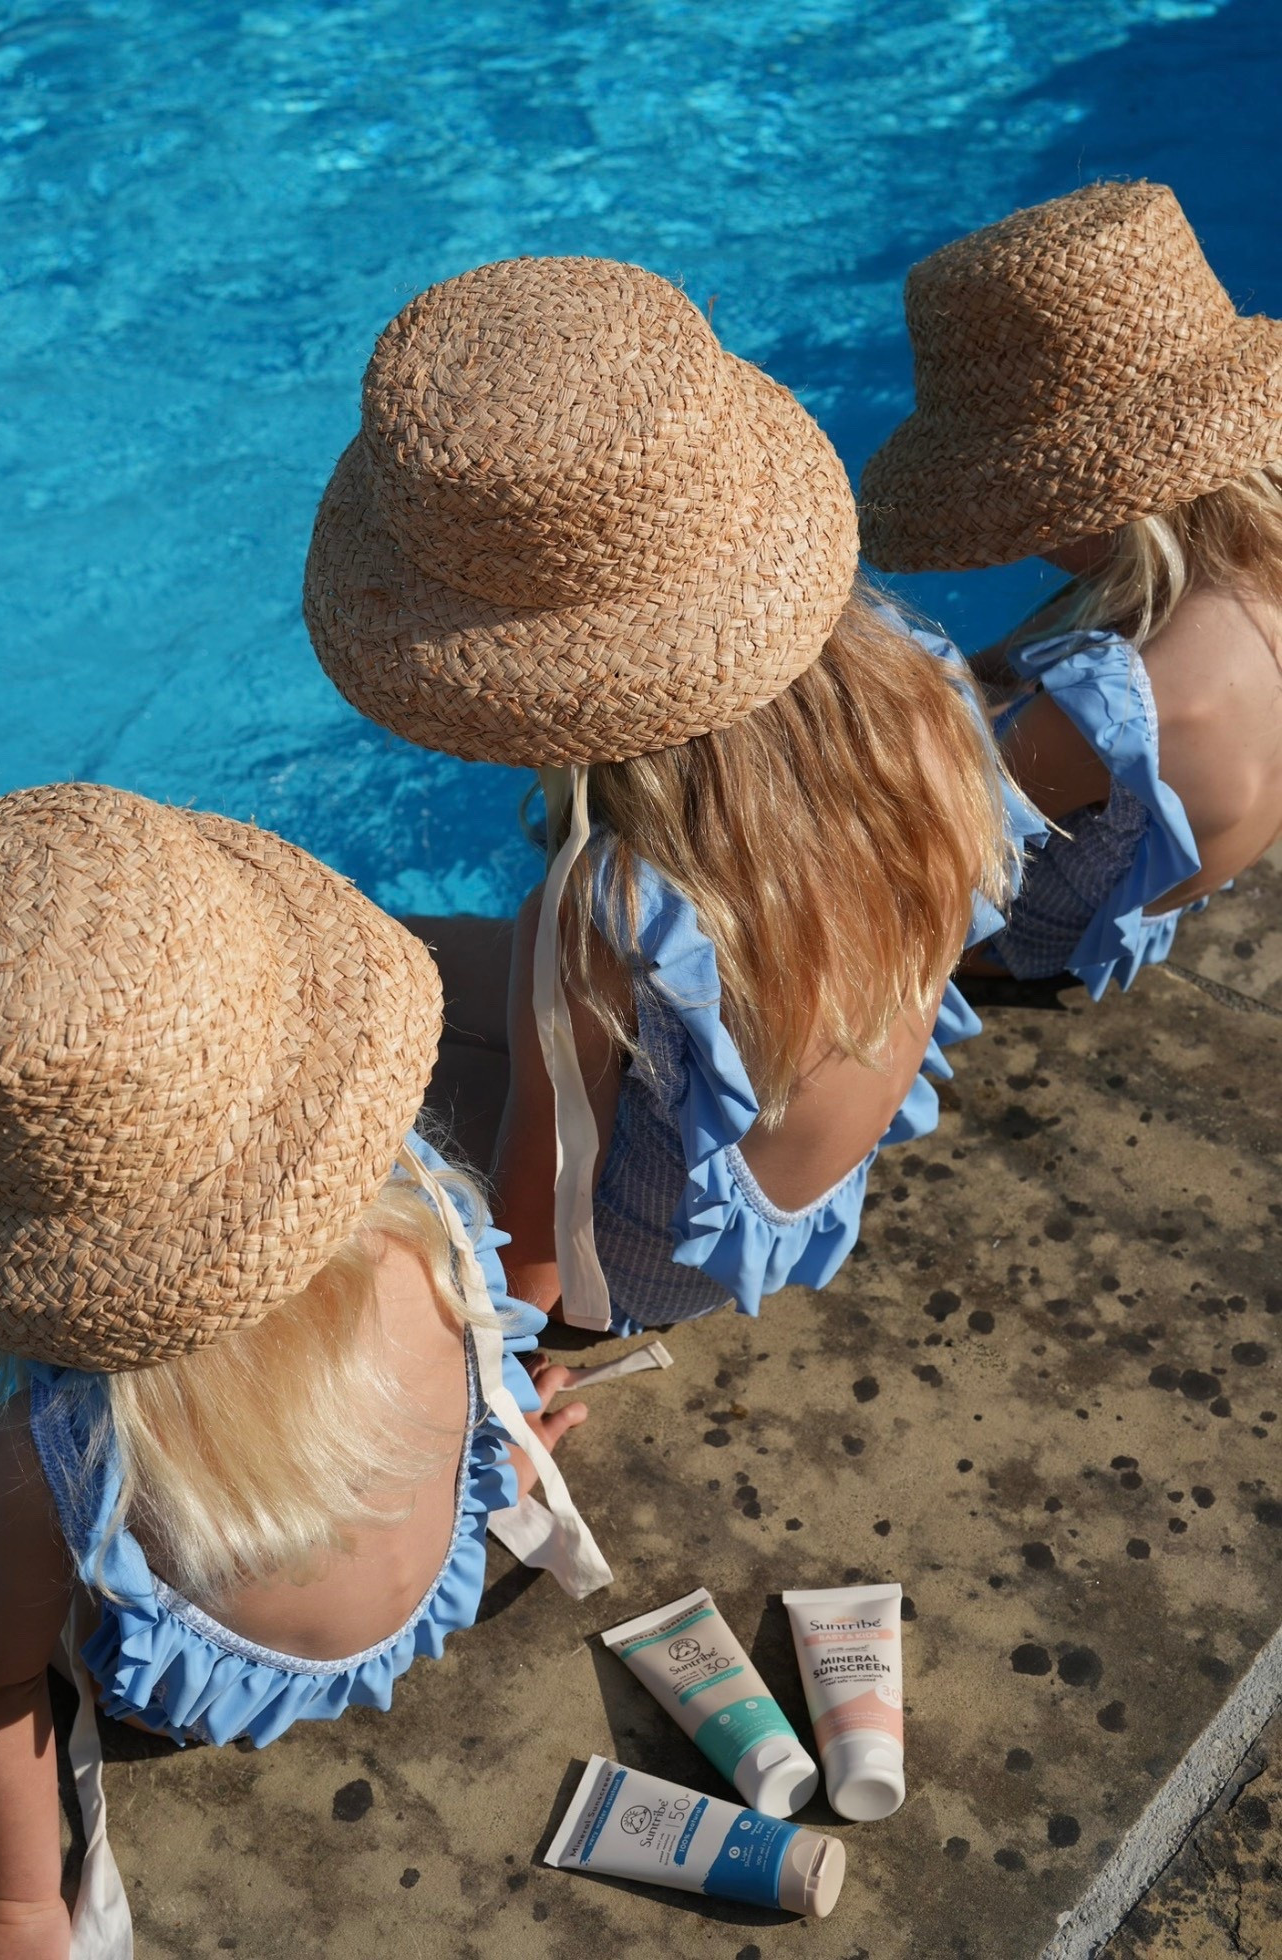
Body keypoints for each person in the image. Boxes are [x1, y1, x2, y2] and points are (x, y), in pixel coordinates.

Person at [303, 254, 1037, 1334]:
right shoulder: (920, 687)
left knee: (322, 1091)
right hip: (805, 1183)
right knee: (370, 963)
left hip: (651, 1259)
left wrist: (514, 1365)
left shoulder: (603, 907)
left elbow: (539, 1232)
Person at [0, 783, 607, 1960]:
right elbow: (470, 1387)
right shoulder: (426, 1224)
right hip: (428, 1596)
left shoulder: (54, 1448)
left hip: (207, 1700)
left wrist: (19, 1905)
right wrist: (501, 1461)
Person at [861, 179, 1282, 997]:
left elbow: (910, 835)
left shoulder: (1120, 712)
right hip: (1172, 887)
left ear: (1098, 507)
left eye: (1020, 510)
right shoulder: (1242, 574)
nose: (1019, 537)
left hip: (1027, 939)